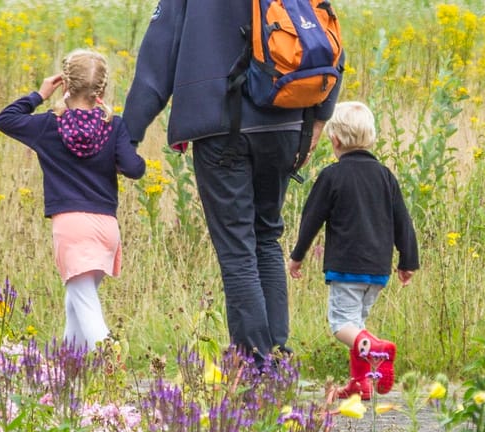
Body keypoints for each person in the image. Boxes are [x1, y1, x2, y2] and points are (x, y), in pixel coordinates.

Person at [122, 0, 343, 365]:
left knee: (238, 247)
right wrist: (318, 118)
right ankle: (277, 356)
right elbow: (325, 34)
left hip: (220, 124)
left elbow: (156, 63)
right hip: (287, 117)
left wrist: (126, 137)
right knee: (266, 236)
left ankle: (256, 364)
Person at [0, 49, 146, 351]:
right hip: (106, 228)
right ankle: (68, 371)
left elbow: (5, 119)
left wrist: (39, 94)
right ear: (100, 90)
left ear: (65, 84)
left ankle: (109, 362)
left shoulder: (48, 126)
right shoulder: (112, 126)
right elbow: (135, 168)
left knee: (85, 306)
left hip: (71, 227)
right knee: (76, 303)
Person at [287, 101, 419, 400]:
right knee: (356, 325)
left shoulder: (332, 176)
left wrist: (297, 256)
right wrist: (408, 261)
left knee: (341, 325)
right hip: (378, 270)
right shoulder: (385, 175)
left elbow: (311, 219)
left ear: (334, 140)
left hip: (345, 266)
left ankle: (376, 350)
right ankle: (361, 382)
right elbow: (403, 220)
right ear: (370, 137)